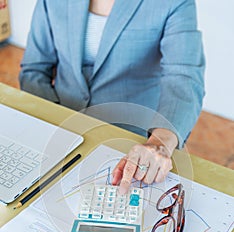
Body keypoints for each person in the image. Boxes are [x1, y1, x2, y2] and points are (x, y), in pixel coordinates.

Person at [19, 0, 205, 194]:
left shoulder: (174, 3)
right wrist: (48, 125)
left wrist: (160, 142)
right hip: (61, 125)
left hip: (130, 138)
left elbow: (184, 78)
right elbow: (35, 69)